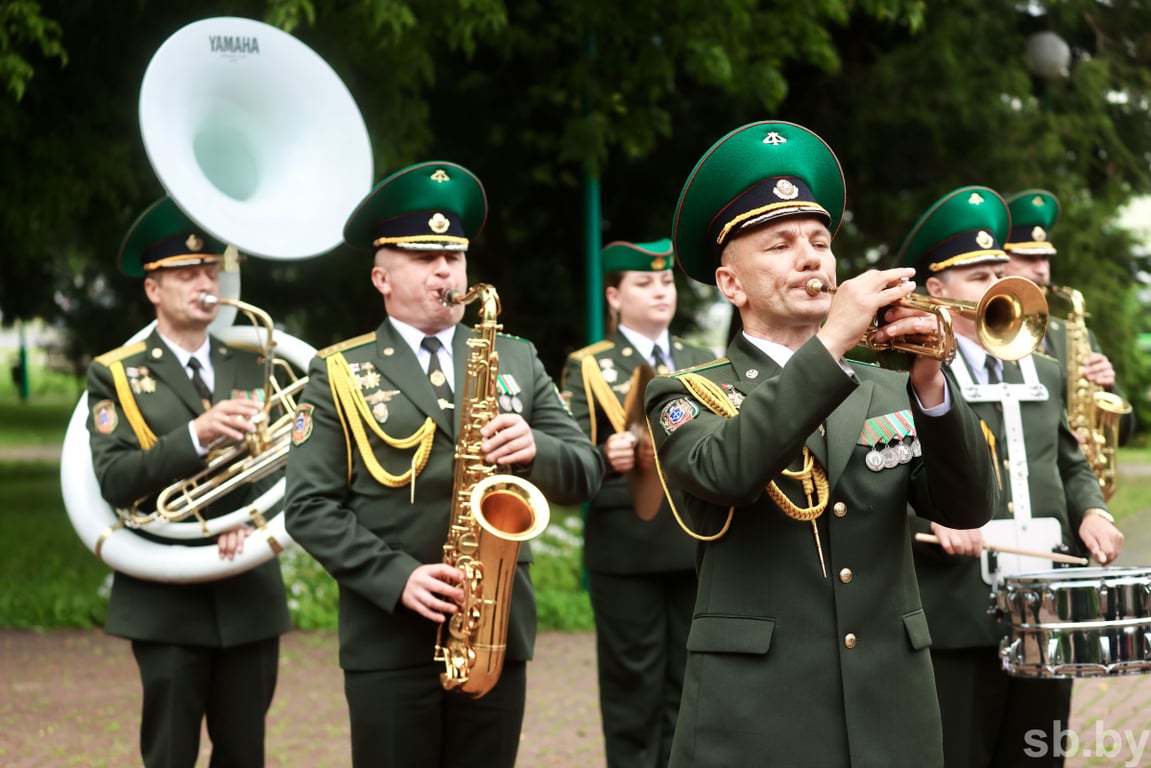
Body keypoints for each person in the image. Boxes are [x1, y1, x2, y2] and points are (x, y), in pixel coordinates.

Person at [642, 120, 999, 767]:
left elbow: (966, 509)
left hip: (891, 716)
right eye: (780, 245)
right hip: (753, 721)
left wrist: (930, 379)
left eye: (818, 241)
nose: (810, 258)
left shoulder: (891, 392)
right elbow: (727, 471)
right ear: (730, 285)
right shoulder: (682, 393)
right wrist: (832, 341)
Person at [282, 160, 604, 768]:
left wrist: (538, 448)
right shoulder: (338, 370)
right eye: (425, 258)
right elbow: (308, 507)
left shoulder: (517, 357)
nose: (445, 272)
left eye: (453, 257)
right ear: (381, 276)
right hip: (390, 638)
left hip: (496, 631)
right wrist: (396, 577)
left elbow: (586, 470)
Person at [900, 185, 1125, 767]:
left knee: (1039, 755)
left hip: (1045, 607)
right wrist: (932, 520)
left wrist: (1093, 511)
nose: (995, 287)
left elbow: (1070, 459)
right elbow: (881, 475)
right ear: (937, 290)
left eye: (998, 271)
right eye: (977, 277)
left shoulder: (1046, 371)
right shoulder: (907, 376)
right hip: (956, 608)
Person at [86, 197, 291, 767]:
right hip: (165, 598)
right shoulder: (117, 372)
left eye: (211, 271)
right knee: (170, 753)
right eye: (186, 273)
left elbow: (280, 461)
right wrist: (196, 435)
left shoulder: (254, 361)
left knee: (246, 752)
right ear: (153, 288)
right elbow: (115, 478)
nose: (205, 283)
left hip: (247, 585)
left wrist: (248, 520)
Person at [559, 238, 714, 768]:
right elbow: (568, 452)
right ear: (615, 297)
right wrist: (606, 453)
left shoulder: (702, 360)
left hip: (696, 540)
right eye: (643, 283)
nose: (659, 292)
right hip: (626, 547)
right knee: (632, 685)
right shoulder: (587, 366)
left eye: (666, 281)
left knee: (691, 681)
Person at [1002, 188, 1135, 446]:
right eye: (1029, 258)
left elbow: (1125, 433)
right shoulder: (983, 331)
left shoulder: (1071, 333)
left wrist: (1108, 387)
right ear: (999, 261)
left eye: (1045, 258)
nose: (1041, 270)